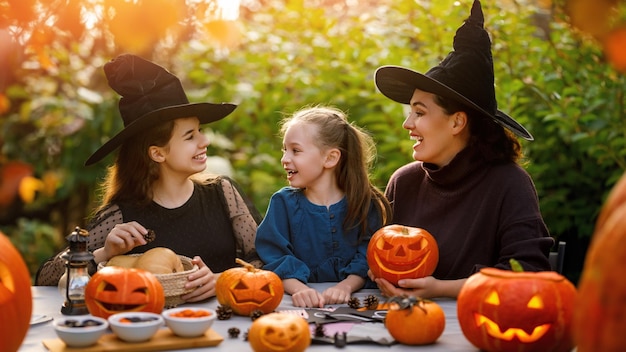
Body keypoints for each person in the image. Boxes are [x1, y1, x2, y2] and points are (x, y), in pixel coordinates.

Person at [35, 54, 262, 303]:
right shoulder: (122, 215)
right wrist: (104, 252)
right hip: (151, 330)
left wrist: (221, 279)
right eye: (189, 136)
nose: (204, 141)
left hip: (224, 329)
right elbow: (45, 278)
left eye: (200, 131)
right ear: (157, 153)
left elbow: (266, 260)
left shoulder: (223, 193)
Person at [370, 0, 553, 299]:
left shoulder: (509, 184)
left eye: (419, 112)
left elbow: (528, 272)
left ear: (457, 122)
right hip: (402, 323)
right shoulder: (404, 182)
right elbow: (382, 254)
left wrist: (441, 289)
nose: (407, 124)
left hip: (481, 328)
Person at [255, 106, 392, 308]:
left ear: (330, 158)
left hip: (359, 303)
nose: (284, 159)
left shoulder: (364, 202)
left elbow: (368, 255)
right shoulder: (282, 203)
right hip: (298, 305)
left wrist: (345, 287)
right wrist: (300, 290)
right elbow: (275, 258)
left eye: (296, 150)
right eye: (284, 150)